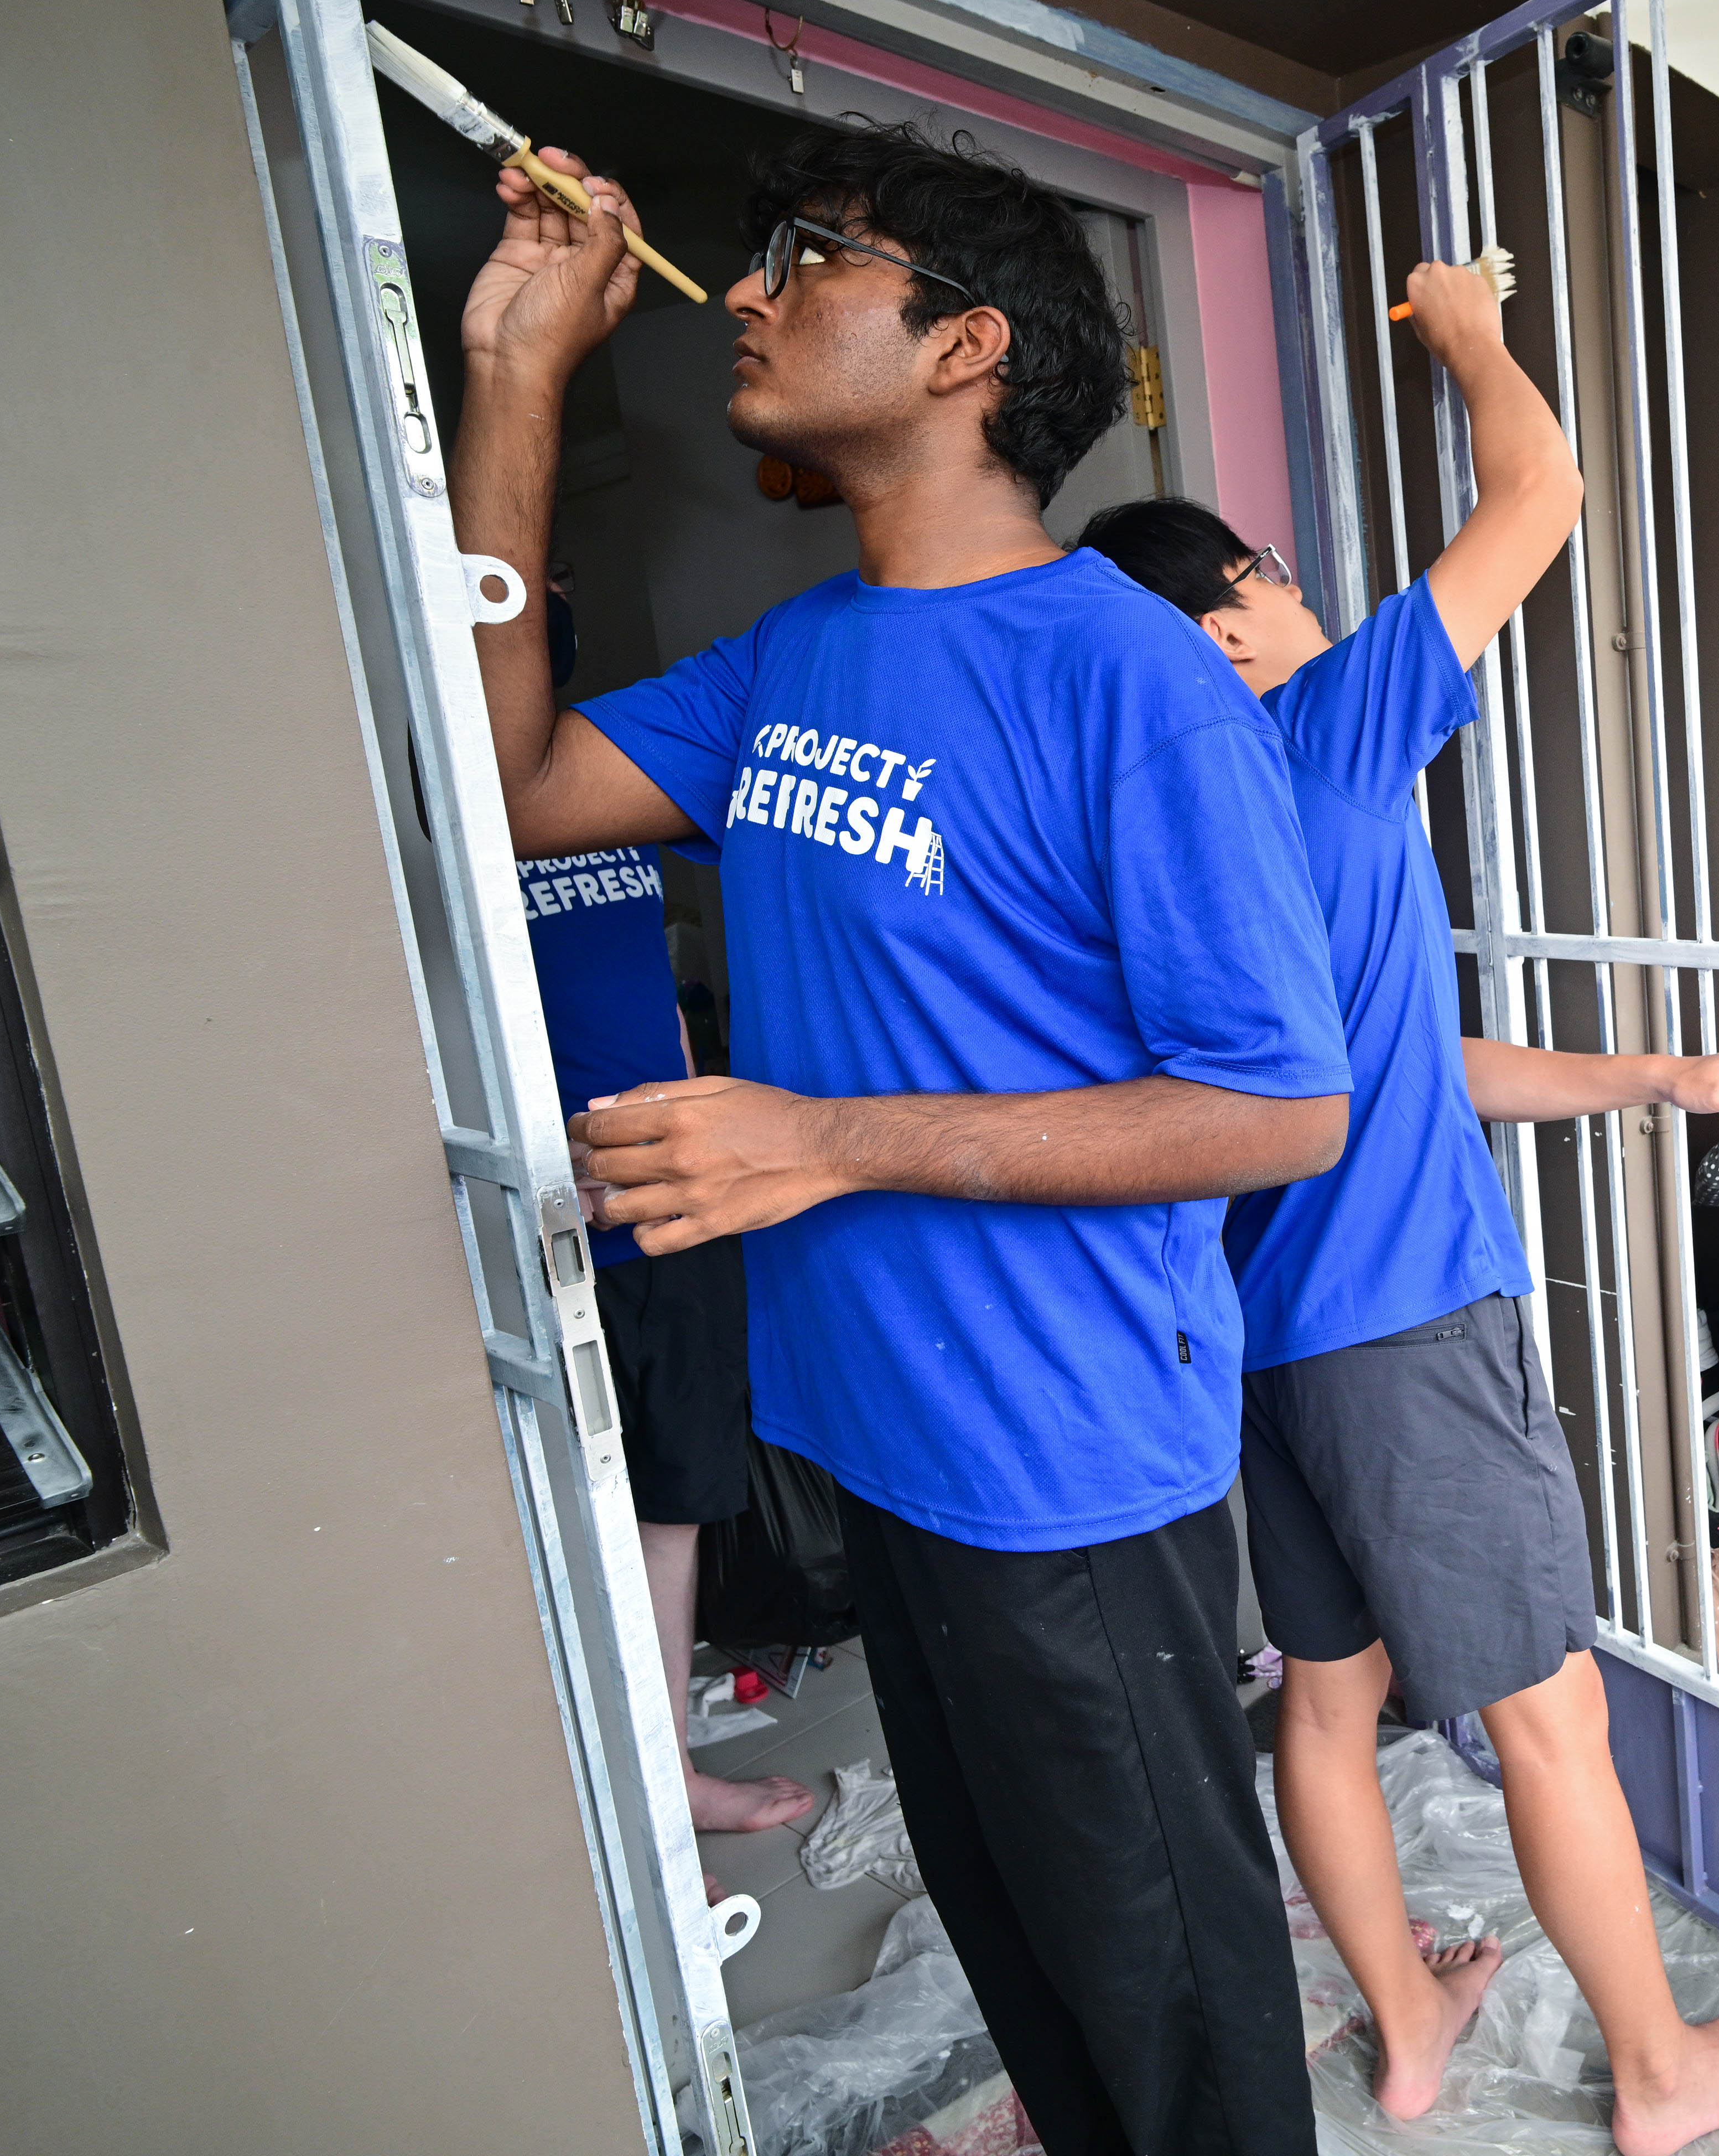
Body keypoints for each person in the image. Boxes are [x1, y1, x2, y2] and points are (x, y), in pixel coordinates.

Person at [449, 121, 1352, 2155]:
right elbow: (508, 786)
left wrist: (827, 1137)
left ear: (967, 348)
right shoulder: (800, 651)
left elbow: (1281, 1102)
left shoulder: (1124, 676)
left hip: (1064, 1467)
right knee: (1032, 1963)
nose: (749, 291)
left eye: (811, 257)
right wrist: (516, 379)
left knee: (1175, 2018)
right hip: (881, 1446)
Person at [1075, 286, 1719, 2155]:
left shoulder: (1133, 823)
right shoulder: (1317, 730)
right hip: (1407, 1319)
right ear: (1229, 608)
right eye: (1280, 573)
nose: (1315, 598)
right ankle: (1657, 2071)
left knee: (1327, 1695)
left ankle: (1410, 2029)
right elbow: (1544, 485)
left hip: (1259, 1339)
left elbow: (1396, 1056)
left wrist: (1660, 1079)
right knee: (1545, 1707)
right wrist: (1469, 333)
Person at [517, 576, 809, 1840]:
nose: (557, 606)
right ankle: (600, 1814)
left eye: (557, 595)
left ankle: (667, 1773)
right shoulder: (411, 812)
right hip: (534, 1218)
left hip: (665, 1202)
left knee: (670, 1501)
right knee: (553, 1513)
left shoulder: (602, 781)